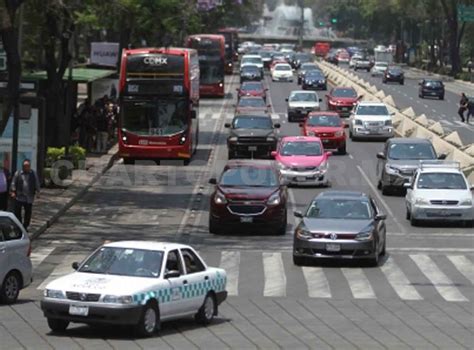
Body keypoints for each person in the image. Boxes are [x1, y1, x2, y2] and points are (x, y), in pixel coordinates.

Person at [10, 159, 40, 230]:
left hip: (29, 197)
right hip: (20, 196)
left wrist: (38, 192)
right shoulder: (18, 173)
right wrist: (13, 191)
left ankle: (25, 225)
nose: (26, 167)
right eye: (25, 166)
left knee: (28, 212)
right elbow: (13, 183)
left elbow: (37, 183)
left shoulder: (33, 173)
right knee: (17, 212)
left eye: (27, 166)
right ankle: (19, 225)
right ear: (22, 166)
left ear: (29, 166)